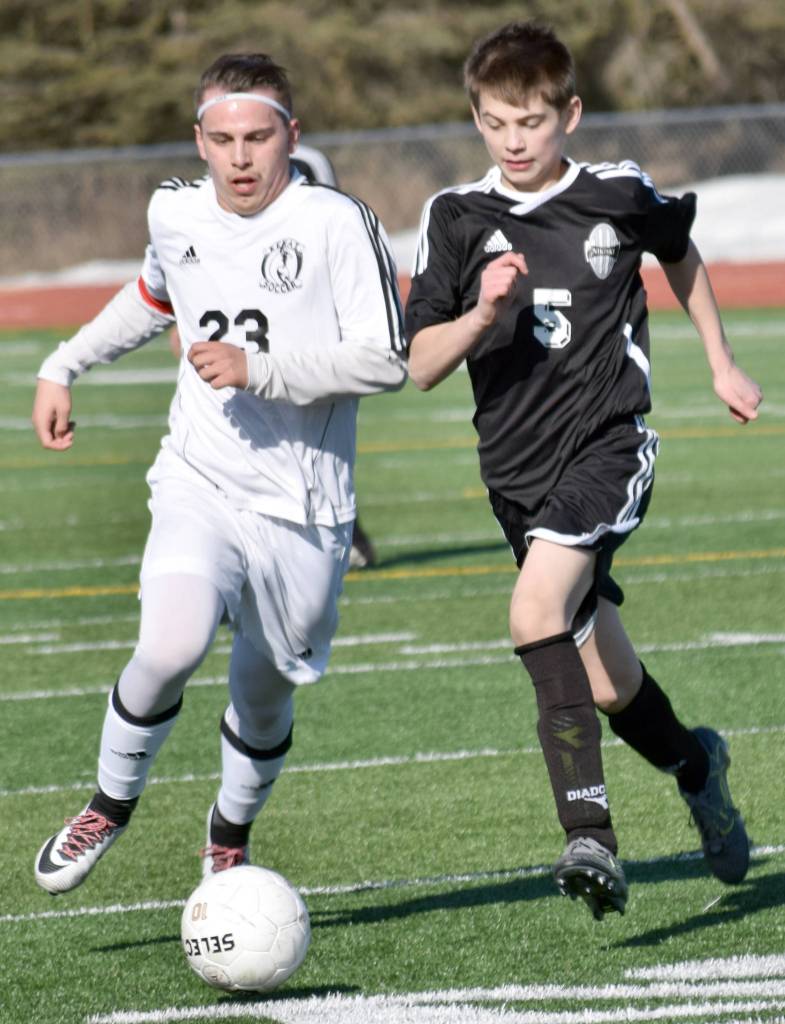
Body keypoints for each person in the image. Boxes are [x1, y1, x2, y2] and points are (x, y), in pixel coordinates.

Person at [405, 21, 762, 921]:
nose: (513, 141)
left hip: (607, 450)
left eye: (529, 122)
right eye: (495, 123)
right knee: (607, 686)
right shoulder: (455, 217)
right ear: (475, 118)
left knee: (533, 614)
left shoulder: (615, 193)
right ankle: (697, 766)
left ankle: (589, 837)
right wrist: (481, 315)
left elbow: (678, 252)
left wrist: (719, 362)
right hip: (515, 480)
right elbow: (419, 366)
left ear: (568, 114)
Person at [31, 52, 406, 895]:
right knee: (170, 645)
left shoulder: (337, 222)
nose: (241, 157)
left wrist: (258, 368)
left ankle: (228, 834)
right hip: (200, 477)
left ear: (291, 136)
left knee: (264, 697)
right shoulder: (174, 210)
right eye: (224, 139)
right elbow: (152, 298)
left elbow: (387, 359)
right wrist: (65, 363)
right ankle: (108, 804)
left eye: (258, 138)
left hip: (305, 507)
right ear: (199, 140)